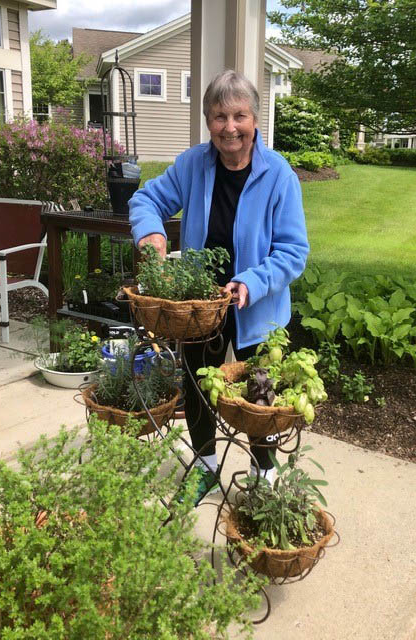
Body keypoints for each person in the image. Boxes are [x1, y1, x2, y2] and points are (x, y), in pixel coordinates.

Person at [129, 69, 309, 503]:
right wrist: (151, 232)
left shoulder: (279, 174)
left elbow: (292, 251)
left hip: (258, 306)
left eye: (239, 116)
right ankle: (205, 466)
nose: (230, 128)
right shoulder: (193, 164)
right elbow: (145, 199)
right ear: (208, 120)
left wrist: (252, 281)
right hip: (201, 304)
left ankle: (262, 474)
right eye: (219, 116)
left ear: (255, 120)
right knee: (197, 383)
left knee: (260, 393)